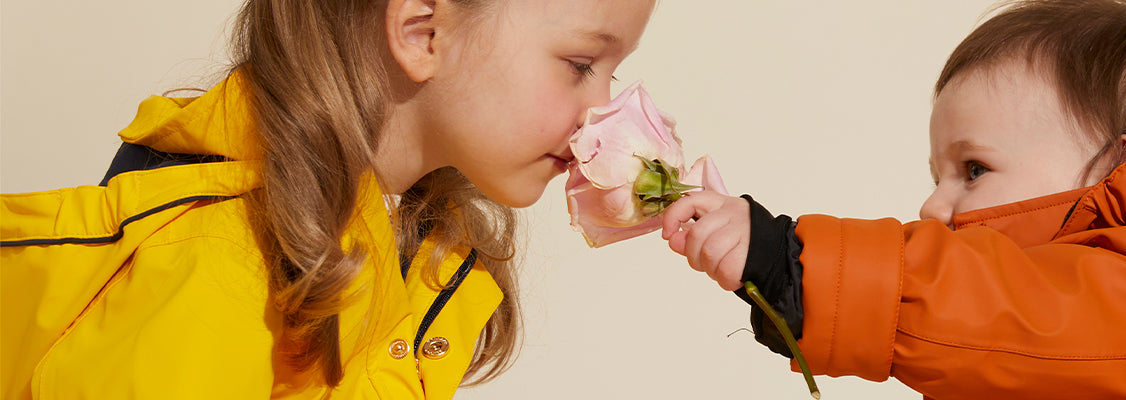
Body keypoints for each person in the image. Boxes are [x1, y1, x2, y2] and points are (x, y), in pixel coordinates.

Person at [660, 0, 1126, 398]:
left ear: (1113, 168)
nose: (935, 206)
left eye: (973, 170)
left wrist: (797, 269)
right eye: (937, 173)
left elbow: (1025, 314)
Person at [0, 0, 653, 398]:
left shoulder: (412, 251)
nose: (602, 109)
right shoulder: (213, 261)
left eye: (613, 72)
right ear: (424, 32)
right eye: (579, 65)